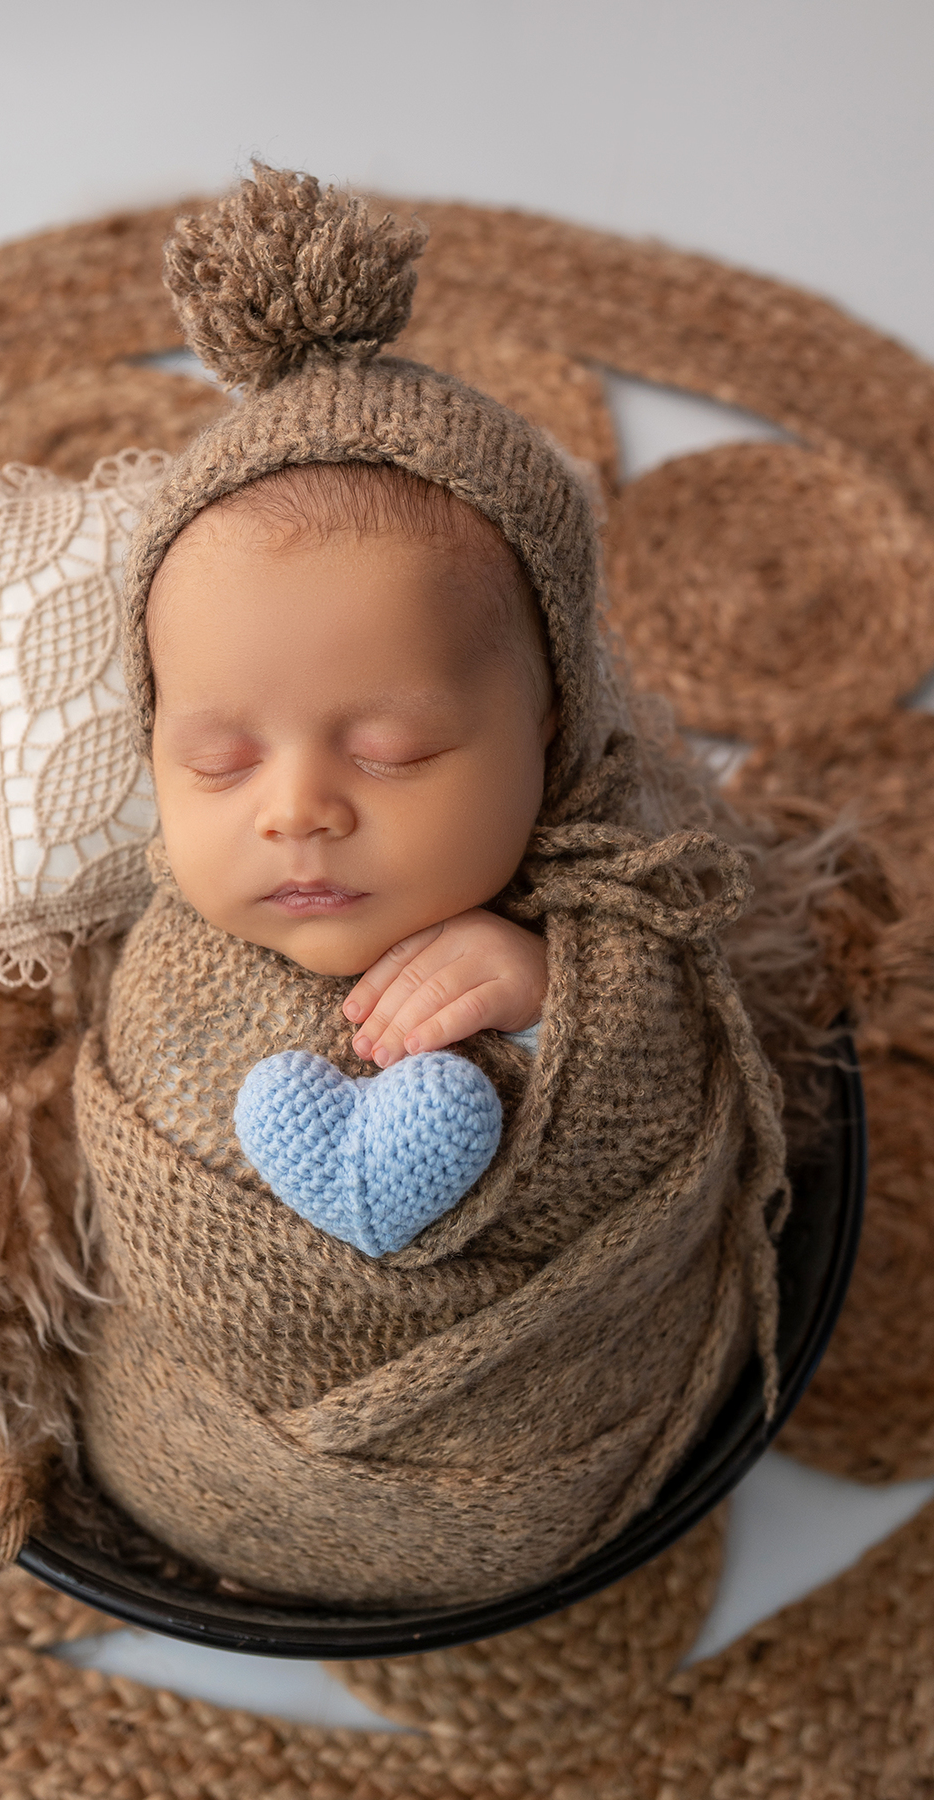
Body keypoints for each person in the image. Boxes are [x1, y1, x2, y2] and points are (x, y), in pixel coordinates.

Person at [71, 164, 788, 1607]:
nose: (299, 812)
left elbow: (680, 1071)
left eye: (394, 749)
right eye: (216, 760)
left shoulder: (624, 897)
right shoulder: (160, 942)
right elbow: (112, 1160)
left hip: (540, 1462)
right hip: (186, 1434)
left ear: (550, 727)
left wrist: (553, 999)